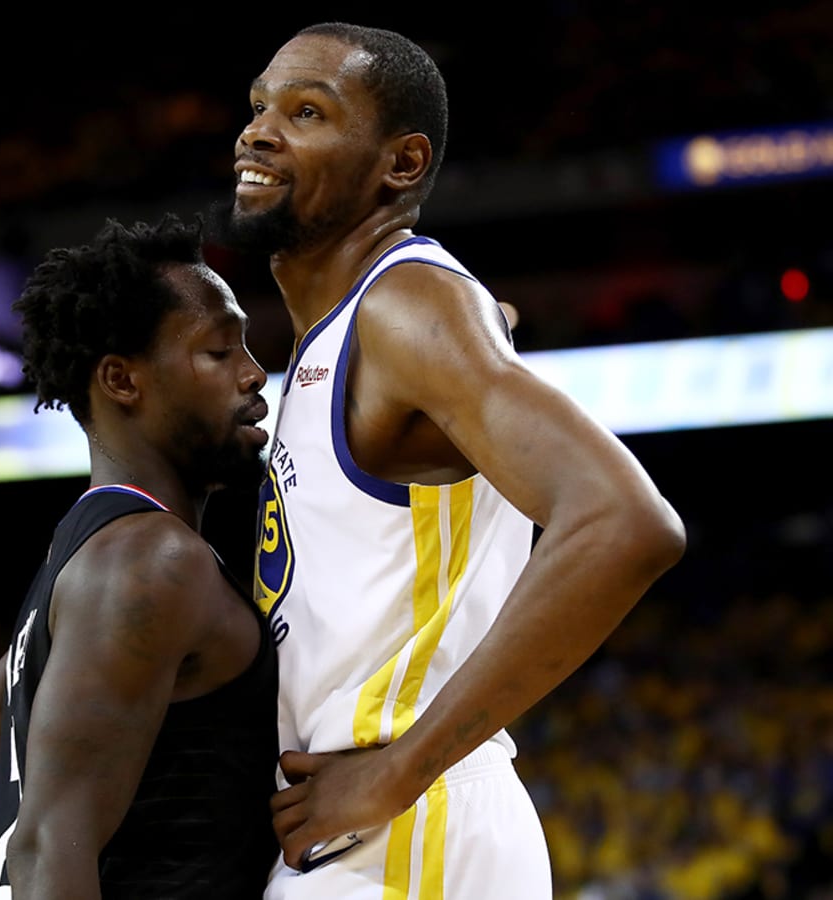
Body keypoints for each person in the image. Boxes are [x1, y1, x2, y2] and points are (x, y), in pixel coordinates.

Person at [205, 21, 688, 899]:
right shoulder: (350, 328)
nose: (260, 130)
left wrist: (401, 770)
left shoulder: (407, 304)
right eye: (258, 107)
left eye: (307, 112)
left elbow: (626, 522)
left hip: (406, 824)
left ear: (401, 164)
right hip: (353, 830)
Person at [0, 213, 281, 899]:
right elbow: (47, 843)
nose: (254, 373)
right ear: (122, 380)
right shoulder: (152, 561)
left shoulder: (83, 557)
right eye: (219, 351)